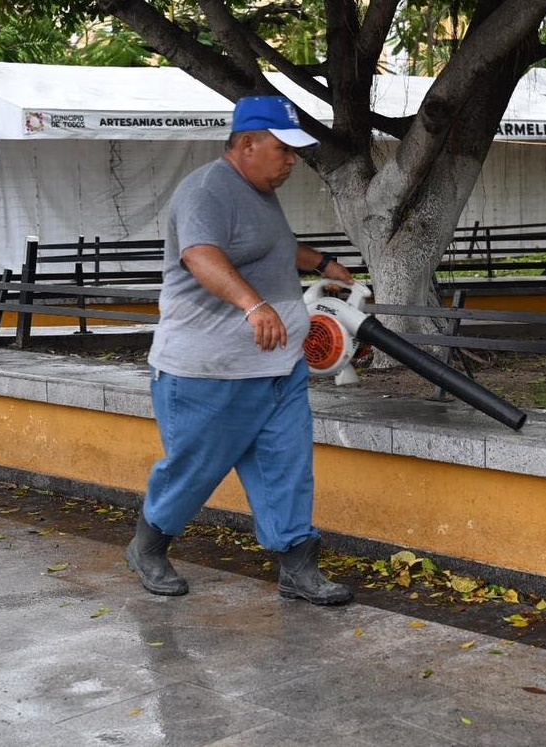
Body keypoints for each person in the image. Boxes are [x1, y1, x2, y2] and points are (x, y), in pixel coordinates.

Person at [125, 95, 355, 605]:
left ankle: (297, 566)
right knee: (193, 469)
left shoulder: (259, 191)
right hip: (210, 371)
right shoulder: (207, 190)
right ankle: (148, 547)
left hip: (277, 368)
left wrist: (323, 263)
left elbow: (272, 243)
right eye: (283, 149)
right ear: (247, 144)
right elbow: (201, 255)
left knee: (287, 468)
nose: (292, 160)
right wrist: (254, 307)